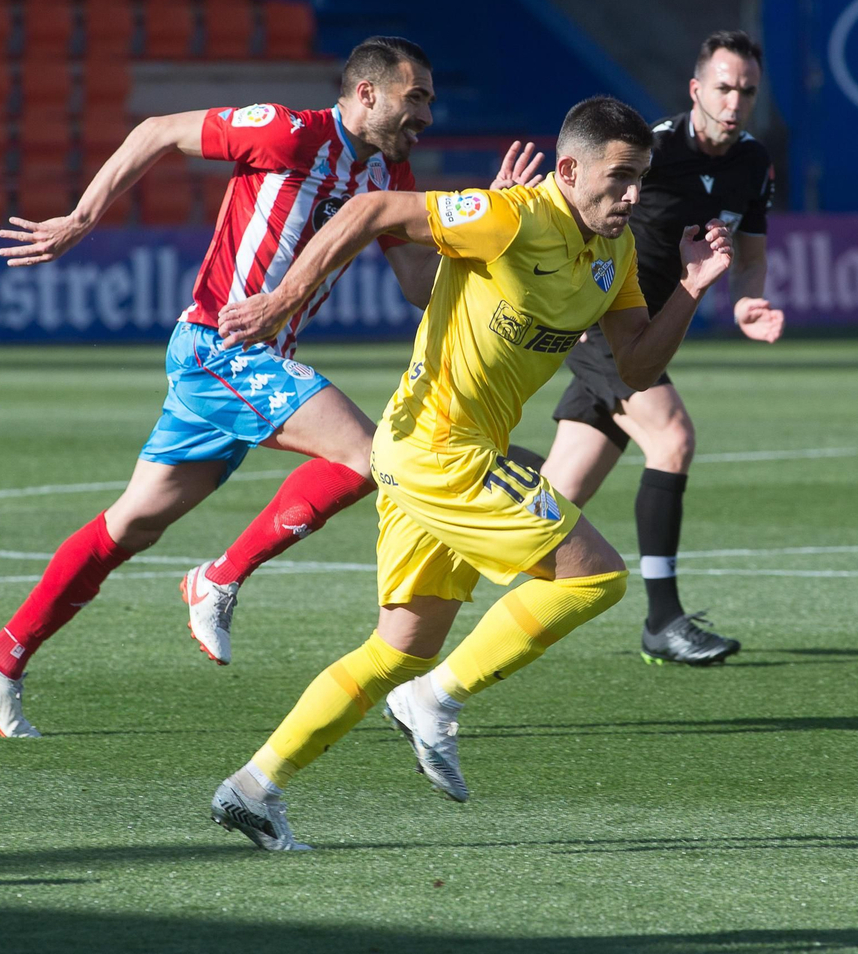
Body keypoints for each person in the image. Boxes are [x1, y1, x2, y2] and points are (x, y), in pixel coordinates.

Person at [0, 37, 545, 737]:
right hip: (217, 350)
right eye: (415, 97)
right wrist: (82, 218)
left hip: (250, 365)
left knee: (132, 523)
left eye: (429, 100)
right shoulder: (286, 132)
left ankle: (1, 654)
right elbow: (156, 131)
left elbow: (419, 285)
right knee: (371, 455)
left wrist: (486, 230)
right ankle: (220, 576)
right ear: (366, 93)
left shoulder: (391, 172)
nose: (426, 112)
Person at [206, 95, 732, 850]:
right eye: (619, 178)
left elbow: (635, 364)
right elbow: (370, 211)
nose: (632, 195)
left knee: (400, 646)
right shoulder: (511, 216)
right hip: (440, 449)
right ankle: (437, 698)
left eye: (641, 179)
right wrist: (281, 300)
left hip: (429, 454)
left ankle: (254, 786)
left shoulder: (611, 254)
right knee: (594, 578)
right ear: (570, 168)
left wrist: (692, 285)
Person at [504, 31, 780, 667]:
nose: (735, 101)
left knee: (556, 495)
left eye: (747, 90)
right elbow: (565, 201)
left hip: (647, 337)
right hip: (601, 325)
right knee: (673, 438)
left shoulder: (752, 162)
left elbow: (751, 255)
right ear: (696, 89)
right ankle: (664, 619)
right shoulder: (650, 151)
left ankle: (456, 539)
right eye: (724, 87)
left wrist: (747, 301)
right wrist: (561, 292)